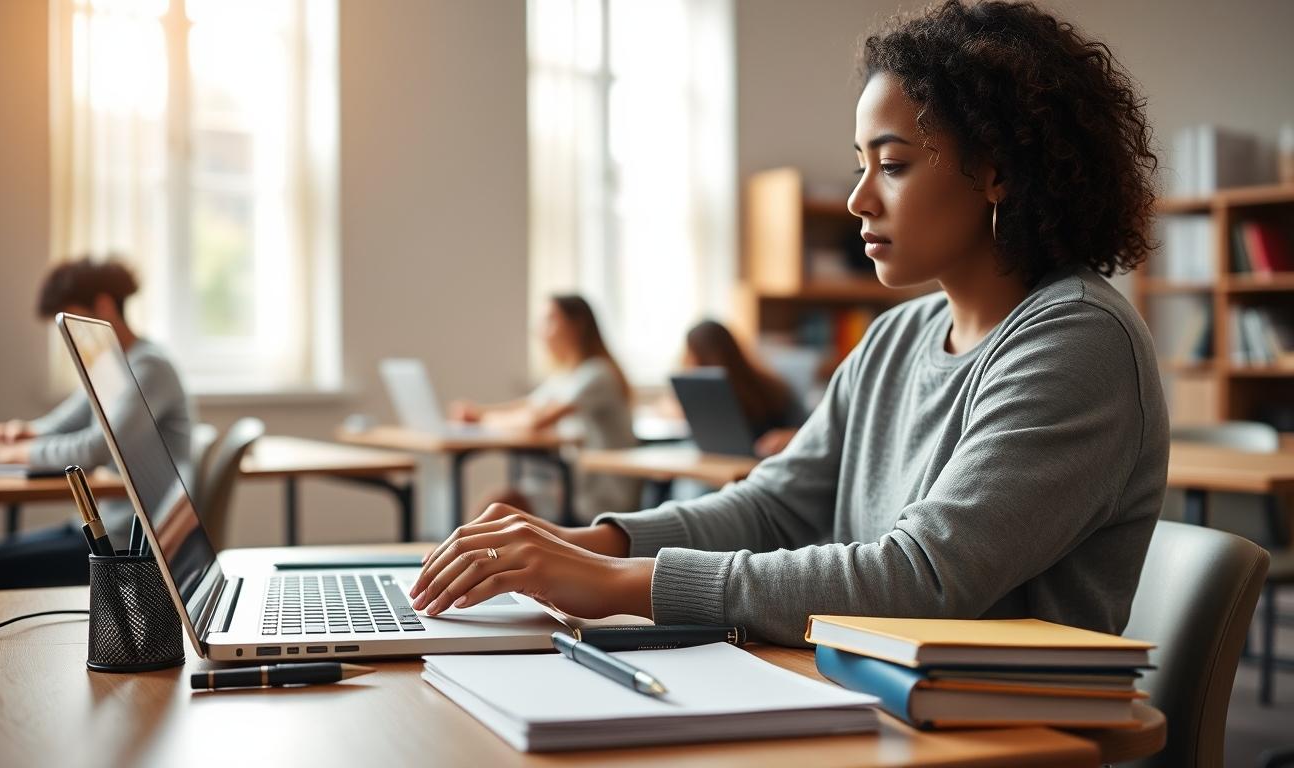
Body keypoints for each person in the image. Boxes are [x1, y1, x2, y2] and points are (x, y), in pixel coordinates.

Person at [408, 0, 1168, 645]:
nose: (859, 199)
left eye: (894, 164)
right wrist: (587, 544)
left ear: (998, 169)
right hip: (866, 701)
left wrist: (617, 582)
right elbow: (775, 506)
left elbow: (925, 580)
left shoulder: (1077, 340)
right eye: (861, 164)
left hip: (1002, 736)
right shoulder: (898, 337)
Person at [0, 258, 193, 591]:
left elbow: (94, 447)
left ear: (105, 305)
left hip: (129, 544)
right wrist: (22, 432)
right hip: (104, 526)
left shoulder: (150, 367)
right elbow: (66, 422)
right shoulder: (112, 366)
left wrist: (2, 455)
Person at [450, 294, 639, 524]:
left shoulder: (598, 373)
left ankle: (470, 557)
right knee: (499, 504)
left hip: (598, 496)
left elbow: (537, 420)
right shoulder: (566, 375)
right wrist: (479, 412)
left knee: (500, 504)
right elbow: (528, 405)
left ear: (577, 325)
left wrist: (483, 420)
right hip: (568, 484)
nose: (540, 330)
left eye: (550, 320)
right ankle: (471, 557)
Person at [679, 319, 807, 457]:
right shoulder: (704, 396)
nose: (688, 363)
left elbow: (810, 432)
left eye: (692, 357)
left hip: (764, 464)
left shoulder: (772, 390)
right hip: (722, 464)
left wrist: (789, 437)